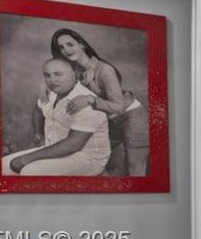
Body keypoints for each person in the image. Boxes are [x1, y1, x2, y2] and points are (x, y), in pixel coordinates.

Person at [51, 28, 149, 176]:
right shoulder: (73, 70)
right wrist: (44, 89)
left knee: (135, 169)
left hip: (132, 117)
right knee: (87, 158)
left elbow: (119, 107)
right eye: (61, 47)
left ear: (82, 45)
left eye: (70, 44)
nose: (66, 50)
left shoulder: (104, 70)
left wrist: (90, 99)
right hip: (109, 121)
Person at [1, 58, 110, 176]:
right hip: (54, 150)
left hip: (87, 157)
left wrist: (26, 159)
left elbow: (73, 145)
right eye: (47, 75)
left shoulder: (85, 102)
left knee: (30, 172)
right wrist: (38, 134)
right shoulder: (52, 93)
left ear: (75, 74)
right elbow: (38, 109)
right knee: (4, 166)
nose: (52, 80)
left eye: (58, 74)